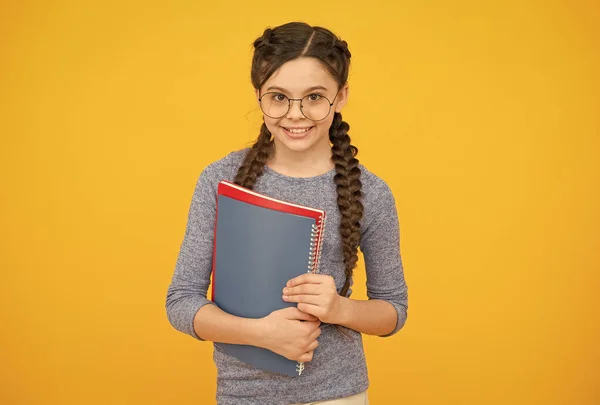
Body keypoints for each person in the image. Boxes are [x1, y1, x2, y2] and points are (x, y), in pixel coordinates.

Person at [165, 21, 408, 405]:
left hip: (337, 395)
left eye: (314, 97)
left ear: (341, 96)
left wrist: (339, 308)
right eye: (279, 97)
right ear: (259, 95)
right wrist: (261, 334)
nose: (295, 115)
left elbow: (393, 311)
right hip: (243, 395)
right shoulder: (220, 179)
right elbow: (180, 302)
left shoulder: (372, 193)